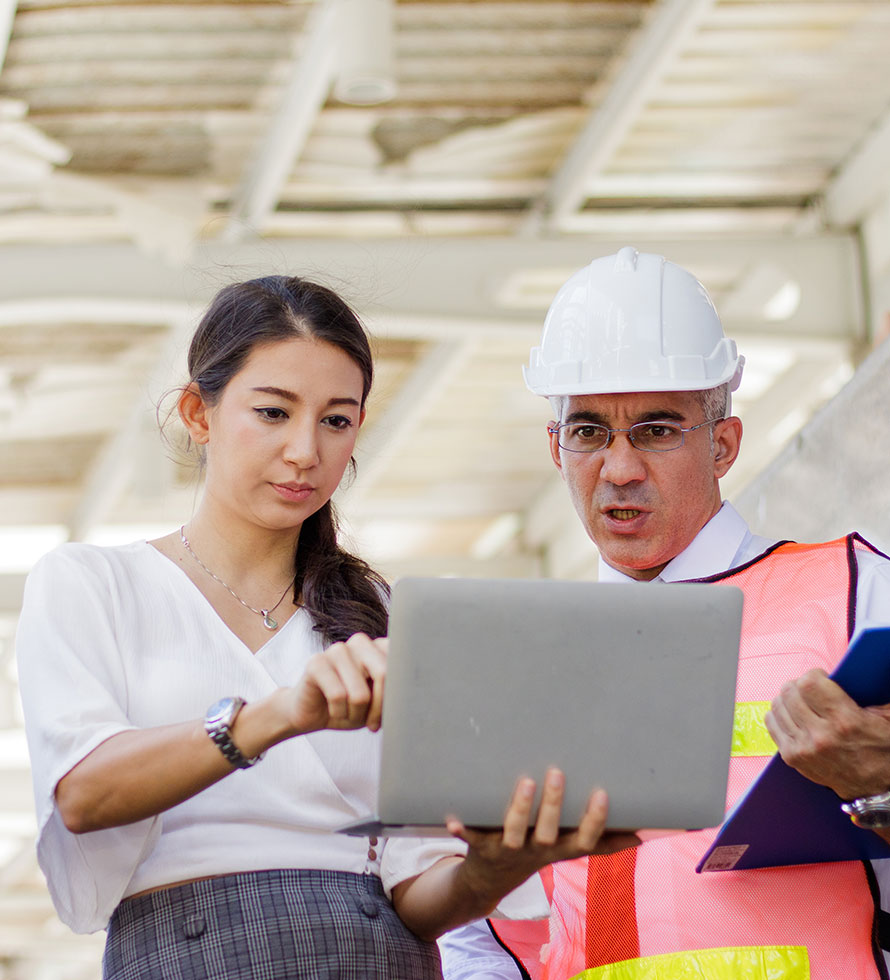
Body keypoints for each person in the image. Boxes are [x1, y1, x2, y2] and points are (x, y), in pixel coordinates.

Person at [15, 275, 623, 980]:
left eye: (336, 420)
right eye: (273, 413)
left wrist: (492, 870)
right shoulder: (92, 583)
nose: (306, 450)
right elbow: (83, 794)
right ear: (197, 412)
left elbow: (416, 892)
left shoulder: (381, 615)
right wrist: (278, 715)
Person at [439, 246, 890, 980]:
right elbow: (481, 934)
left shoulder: (854, 593)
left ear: (724, 443)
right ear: (555, 449)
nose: (619, 469)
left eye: (656, 429)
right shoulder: (519, 667)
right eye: (589, 431)